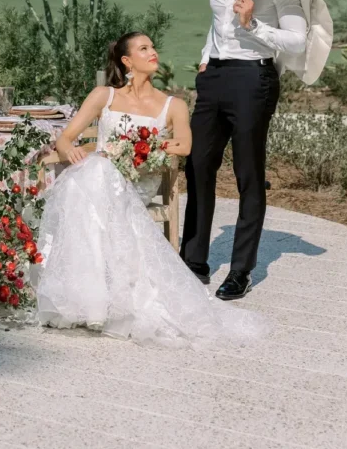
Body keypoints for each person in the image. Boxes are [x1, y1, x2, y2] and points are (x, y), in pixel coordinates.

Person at [32, 32, 268, 348]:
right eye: (144, 49)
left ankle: (91, 300)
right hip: (97, 182)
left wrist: (141, 145)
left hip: (137, 184)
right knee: (97, 170)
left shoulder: (173, 104)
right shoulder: (104, 96)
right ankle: (90, 300)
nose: (153, 52)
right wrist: (69, 150)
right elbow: (65, 137)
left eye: (154, 47)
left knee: (96, 173)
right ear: (127, 61)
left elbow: (184, 145)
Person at [182, 0, 324, 302]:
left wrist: (254, 24)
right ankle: (194, 261)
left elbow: (298, 39)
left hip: (253, 78)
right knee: (197, 165)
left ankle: (241, 271)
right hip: (215, 78)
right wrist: (207, 58)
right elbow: (216, 24)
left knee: (248, 173)